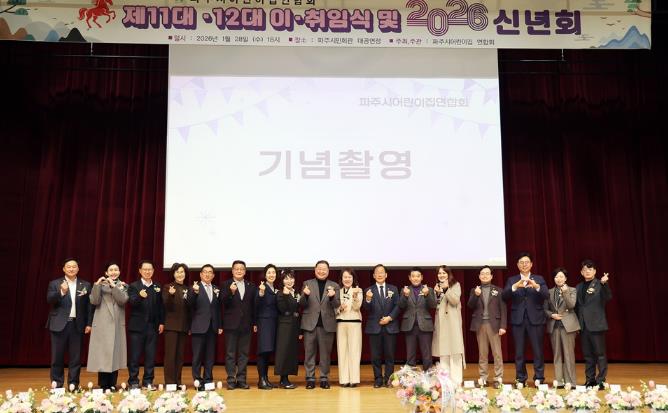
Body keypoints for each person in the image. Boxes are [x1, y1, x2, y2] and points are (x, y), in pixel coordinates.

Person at [502, 252, 549, 385]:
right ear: (517, 265)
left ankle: (539, 378)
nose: (524, 264)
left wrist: (536, 286)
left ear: (531, 264)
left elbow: (546, 295)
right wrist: (515, 286)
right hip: (518, 320)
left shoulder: (539, 279)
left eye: (526, 262)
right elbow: (504, 296)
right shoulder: (512, 280)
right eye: (521, 262)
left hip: (536, 319)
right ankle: (521, 379)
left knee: (538, 351)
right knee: (519, 352)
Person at [46, 258, 91, 389]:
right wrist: (62, 292)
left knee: (76, 358)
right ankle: (57, 385)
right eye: (68, 267)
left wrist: (89, 324)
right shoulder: (55, 283)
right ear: (64, 269)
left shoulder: (85, 285)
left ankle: (73, 384)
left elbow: (89, 307)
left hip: (77, 325)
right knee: (57, 357)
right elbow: (50, 300)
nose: (71, 269)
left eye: (74, 266)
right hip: (59, 325)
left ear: (78, 269)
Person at [299, 260, 340, 389]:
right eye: (319, 269)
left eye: (324, 269)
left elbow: (337, 305)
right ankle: (310, 378)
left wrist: (332, 297)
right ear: (315, 269)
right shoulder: (307, 283)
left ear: (328, 271)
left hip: (327, 325)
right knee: (309, 354)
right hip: (309, 324)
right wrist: (305, 296)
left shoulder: (334, 285)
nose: (321, 271)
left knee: (325, 355)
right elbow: (301, 304)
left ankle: (324, 378)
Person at [87, 261, 129, 390]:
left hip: (117, 325)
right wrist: (96, 285)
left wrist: (114, 286)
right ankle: (103, 384)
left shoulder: (123, 286)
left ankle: (112, 384)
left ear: (119, 272)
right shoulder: (99, 286)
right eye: (111, 270)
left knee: (115, 355)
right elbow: (94, 301)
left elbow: (123, 300)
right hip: (102, 325)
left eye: (116, 270)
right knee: (103, 355)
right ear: (106, 272)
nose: (113, 272)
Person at [127, 260, 164, 389]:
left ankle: (148, 381)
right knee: (135, 356)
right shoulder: (133, 286)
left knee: (150, 356)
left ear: (153, 271)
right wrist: (139, 296)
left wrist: (161, 322)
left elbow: (160, 306)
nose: (147, 272)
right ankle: (133, 381)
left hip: (152, 326)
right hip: (137, 327)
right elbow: (132, 303)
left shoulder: (157, 286)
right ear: (140, 271)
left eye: (150, 269)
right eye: (145, 269)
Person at [468, 265, 506, 388]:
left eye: (487, 273)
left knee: (497, 353)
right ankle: (483, 378)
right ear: (479, 276)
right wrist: (476, 295)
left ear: (491, 276)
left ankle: (498, 378)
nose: (484, 275)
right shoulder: (475, 290)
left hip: (494, 324)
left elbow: (503, 309)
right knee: (482, 353)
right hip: (480, 324)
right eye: (482, 273)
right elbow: (470, 305)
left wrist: (503, 326)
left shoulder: (498, 290)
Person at [575, 259, 612, 390]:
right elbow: (577, 306)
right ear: (581, 272)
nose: (587, 271)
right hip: (583, 326)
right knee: (588, 356)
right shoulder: (578, 287)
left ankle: (601, 380)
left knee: (600, 354)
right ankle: (589, 380)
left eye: (590, 269)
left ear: (595, 271)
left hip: (596, 325)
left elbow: (608, 297)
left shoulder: (600, 284)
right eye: (585, 270)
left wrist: (604, 283)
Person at [220, 260, 256, 389]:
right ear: (232, 271)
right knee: (230, 354)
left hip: (246, 324)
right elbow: (223, 302)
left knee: (244, 354)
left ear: (245, 271)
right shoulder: (225, 284)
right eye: (236, 269)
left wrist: (254, 323)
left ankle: (241, 379)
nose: (239, 271)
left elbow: (254, 306)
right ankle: (231, 379)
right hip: (231, 324)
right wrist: (231, 292)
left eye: (241, 269)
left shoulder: (251, 285)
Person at [363, 264, 400, 388]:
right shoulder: (368, 290)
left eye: (382, 272)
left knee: (390, 355)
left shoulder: (393, 289)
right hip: (374, 327)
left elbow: (398, 306)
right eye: (377, 272)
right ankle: (378, 379)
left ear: (386, 275)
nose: (379, 274)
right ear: (374, 275)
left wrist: (389, 318)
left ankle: (388, 379)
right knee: (375, 356)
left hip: (390, 326)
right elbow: (366, 308)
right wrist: (368, 299)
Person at [188, 264, 223, 389]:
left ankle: (208, 380)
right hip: (198, 327)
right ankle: (198, 381)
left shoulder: (216, 289)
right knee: (197, 356)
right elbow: (189, 305)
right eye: (205, 272)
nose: (207, 274)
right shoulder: (194, 288)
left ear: (213, 275)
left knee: (210, 356)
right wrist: (194, 292)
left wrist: (220, 325)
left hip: (212, 327)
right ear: (201, 274)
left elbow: (218, 309)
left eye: (210, 272)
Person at [544, 267, 579, 388]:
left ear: (565, 278)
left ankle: (571, 382)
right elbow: (544, 309)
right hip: (554, 326)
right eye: (556, 277)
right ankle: (559, 381)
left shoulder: (572, 290)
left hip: (568, 326)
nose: (558, 279)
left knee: (569, 355)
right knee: (557, 354)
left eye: (561, 276)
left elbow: (571, 305)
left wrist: (565, 292)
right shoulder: (549, 292)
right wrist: (551, 315)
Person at [431, 265, 465, 385]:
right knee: (443, 352)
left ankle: (456, 381)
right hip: (441, 323)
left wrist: (446, 289)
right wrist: (436, 294)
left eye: (444, 273)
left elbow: (455, 301)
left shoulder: (455, 285)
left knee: (455, 351)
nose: (441, 275)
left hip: (452, 322)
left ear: (448, 274)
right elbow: (434, 304)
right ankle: (445, 382)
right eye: (439, 273)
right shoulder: (436, 286)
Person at [398, 267, 437, 370]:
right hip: (409, 326)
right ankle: (411, 377)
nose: (415, 278)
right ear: (409, 278)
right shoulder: (405, 290)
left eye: (418, 276)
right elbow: (401, 306)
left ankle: (428, 375)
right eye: (413, 276)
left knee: (427, 354)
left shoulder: (429, 289)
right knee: (410, 355)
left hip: (425, 326)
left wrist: (427, 294)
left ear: (422, 277)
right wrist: (405, 296)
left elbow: (433, 305)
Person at [162, 263, 190, 386]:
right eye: (177, 272)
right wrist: (171, 295)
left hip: (183, 327)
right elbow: (166, 306)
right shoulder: (168, 287)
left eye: (182, 272)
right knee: (170, 356)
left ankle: (178, 381)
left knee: (179, 356)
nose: (180, 274)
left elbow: (189, 309)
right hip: (171, 326)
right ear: (173, 274)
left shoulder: (187, 289)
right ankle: (170, 383)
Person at [274, 269, 302, 389]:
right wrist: (285, 296)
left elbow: (299, 309)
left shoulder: (296, 293)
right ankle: (283, 379)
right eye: (286, 279)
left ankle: (286, 378)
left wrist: (300, 330)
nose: (289, 281)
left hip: (294, 325)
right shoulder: (280, 293)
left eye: (291, 278)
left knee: (291, 352)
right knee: (283, 351)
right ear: (282, 281)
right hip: (284, 326)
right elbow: (282, 309)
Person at [335, 268, 363, 388]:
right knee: (342, 351)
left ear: (353, 278)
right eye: (345, 277)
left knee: (354, 351)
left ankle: (354, 379)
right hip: (341, 322)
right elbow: (334, 309)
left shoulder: (358, 290)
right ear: (341, 279)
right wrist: (339, 308)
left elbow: (357, 307)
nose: (347, 279)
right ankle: (344, 379)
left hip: (354, 322)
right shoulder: (338, 291)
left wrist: (355, 296)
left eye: (349, 277)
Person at [255, 264, 279, 390]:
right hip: (264, 322)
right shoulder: (262, 287)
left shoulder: (276, 288)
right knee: (263, 351)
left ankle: (266, 378)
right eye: (269, 272)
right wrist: (261, 293)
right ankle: (261, 380)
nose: (271, 275)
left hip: (274, 323)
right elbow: (256, 304)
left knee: (268, 351)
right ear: (265, 275)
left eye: (273, 272)